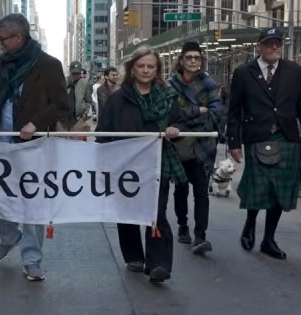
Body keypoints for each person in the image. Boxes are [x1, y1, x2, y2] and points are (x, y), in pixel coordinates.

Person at [0, 13, 68, 281]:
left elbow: (61, 105)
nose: (0, 43)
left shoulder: (48, 65)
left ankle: (32, 259)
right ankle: (9, 236)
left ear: (19, 37)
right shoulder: (0, 64)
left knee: (33, 204)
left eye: (3, 38)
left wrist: (35, 124)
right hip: (1, 142)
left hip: (33, 146)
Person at [226, 27, 301, 259]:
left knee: (280, 190)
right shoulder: (243, 73)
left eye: (278, 43)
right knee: (259, 187)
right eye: (269, 43)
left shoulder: (294, 72)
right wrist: (233, 142)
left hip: (287, 137)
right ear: (260, 46)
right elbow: (234, 111)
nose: (274, 47)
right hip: (257, 135)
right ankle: (250, 222)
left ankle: (269, 239)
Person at [97, 47, 186, 283]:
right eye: (141, 66)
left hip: (158, 163)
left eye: (151, 66)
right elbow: (103, 133)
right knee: (128, 211)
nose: (146, 70)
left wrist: (174, 130)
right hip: (125, 166)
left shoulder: (168, 97)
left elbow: (178, 124)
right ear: (132, 69)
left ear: (157, 69)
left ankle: (158, 264)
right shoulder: (117, 99)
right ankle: (134, 255)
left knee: (156, 212)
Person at [168, 41, 221, 254]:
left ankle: (201, 236)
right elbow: (172, 114)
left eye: (196, 58)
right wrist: (198, 111)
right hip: (179, 146)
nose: (192, 61)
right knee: (180, 189)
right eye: (188, 57)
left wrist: (194, 116)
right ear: (181, 60)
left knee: (201, 192)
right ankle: (183, 226)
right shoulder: (171, 84)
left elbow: (216, 111)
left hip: (202, 145)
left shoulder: (208, 83)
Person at [66, 61, 92, 129]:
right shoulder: (65, 81)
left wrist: (84, 114)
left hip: (78, 117)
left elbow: (88, 100)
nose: (75, 75)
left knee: (76, 137)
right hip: (65, 116)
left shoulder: (84, 83)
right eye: (73, 73)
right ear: (70, 72)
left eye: (77, 73)